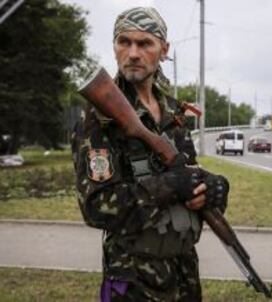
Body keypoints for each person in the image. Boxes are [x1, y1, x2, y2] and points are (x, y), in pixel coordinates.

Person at [71, 7, 229, 302]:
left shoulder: (173, 111)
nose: (132, 53)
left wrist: (212, 187)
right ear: (114, 47)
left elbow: (185, 171)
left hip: (184, 269)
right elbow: (97, 208)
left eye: (145, 43)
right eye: (124, 42)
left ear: (164, 50)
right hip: (133, 279)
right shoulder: (99, 118)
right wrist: (168, 185)